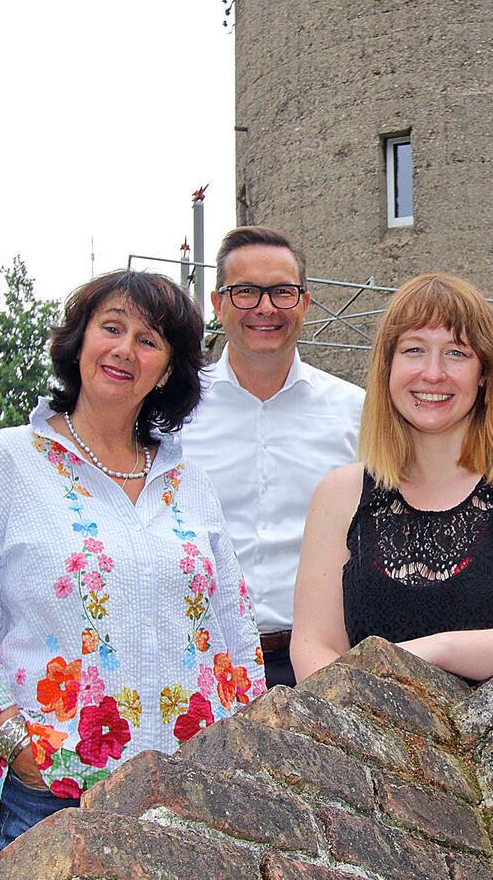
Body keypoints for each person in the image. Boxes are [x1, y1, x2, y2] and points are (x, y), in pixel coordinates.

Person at [0, 271, 264, 849]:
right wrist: (12, 743)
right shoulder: (8, 463)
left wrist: (240, 752)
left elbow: (235, 629)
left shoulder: (190, 483)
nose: (126, 349)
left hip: (192, 798)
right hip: (54, 795)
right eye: (112, 327)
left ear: (168, 371)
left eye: (149, 340)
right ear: (80, 341)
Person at [289, 273, 493, 682]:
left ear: (484, 373)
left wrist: (436, 651)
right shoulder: (338, 494)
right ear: (387, 368)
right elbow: (313, 646)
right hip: (371, 735)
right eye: (414, 350)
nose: (433, 373)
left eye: (456, 353)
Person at [181, 227, 364, 688]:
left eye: (282, 292)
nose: (265, 308)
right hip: (195, 664)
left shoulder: (358, 414)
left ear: (305, 302)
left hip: (321, 668)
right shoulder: (173, 416)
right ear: (217, 304)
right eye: (245, 292)